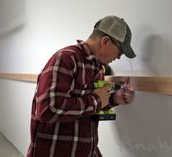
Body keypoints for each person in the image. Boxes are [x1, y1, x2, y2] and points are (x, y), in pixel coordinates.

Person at [27, 15, 136, 157]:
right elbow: (48, 109)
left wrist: (114, 99)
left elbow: (90, 110)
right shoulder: (66, 58)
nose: (119, 57)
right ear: (105, 41)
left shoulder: (98, 68)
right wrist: (96, 100)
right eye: (120, 51)